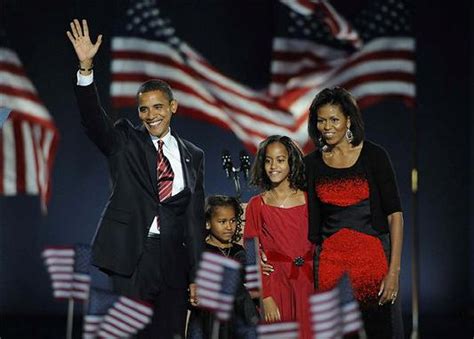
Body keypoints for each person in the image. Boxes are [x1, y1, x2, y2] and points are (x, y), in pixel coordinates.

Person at [66, 19, 205, 338]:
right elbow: (92, 121)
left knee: (171, 333)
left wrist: (197, 275)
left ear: (173, 107)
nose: (151, 114)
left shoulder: (193, 155)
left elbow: (195, 221)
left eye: (158, 107)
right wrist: (85, 69)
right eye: (144, 109)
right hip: (133, 255)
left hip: (174, 259)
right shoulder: (125, 141)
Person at [305, 87, 404, 338]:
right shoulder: (311, 164)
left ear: (348, 120)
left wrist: (393, 273)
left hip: (373, 265)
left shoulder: (374, 156)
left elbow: (395, 216)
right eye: (321, 120)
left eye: (334, 119)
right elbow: (288, 202)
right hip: (330, 268)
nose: (327, 126)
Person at [244, 135, 314, 339]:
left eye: (280, 159)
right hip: (275, 284)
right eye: (268, 160)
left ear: (291, 163)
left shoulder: (309, 199)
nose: (273, 166)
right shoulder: (257, 204)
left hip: (308, 284)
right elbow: (251, 254)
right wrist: (265, 296)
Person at [187, 195, 259, 339]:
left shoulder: (239, 251)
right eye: (222, 221)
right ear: (208, 223)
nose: (229, 227)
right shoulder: (200, 252)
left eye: (232, 221)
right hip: (207, 319)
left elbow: (253, 287)